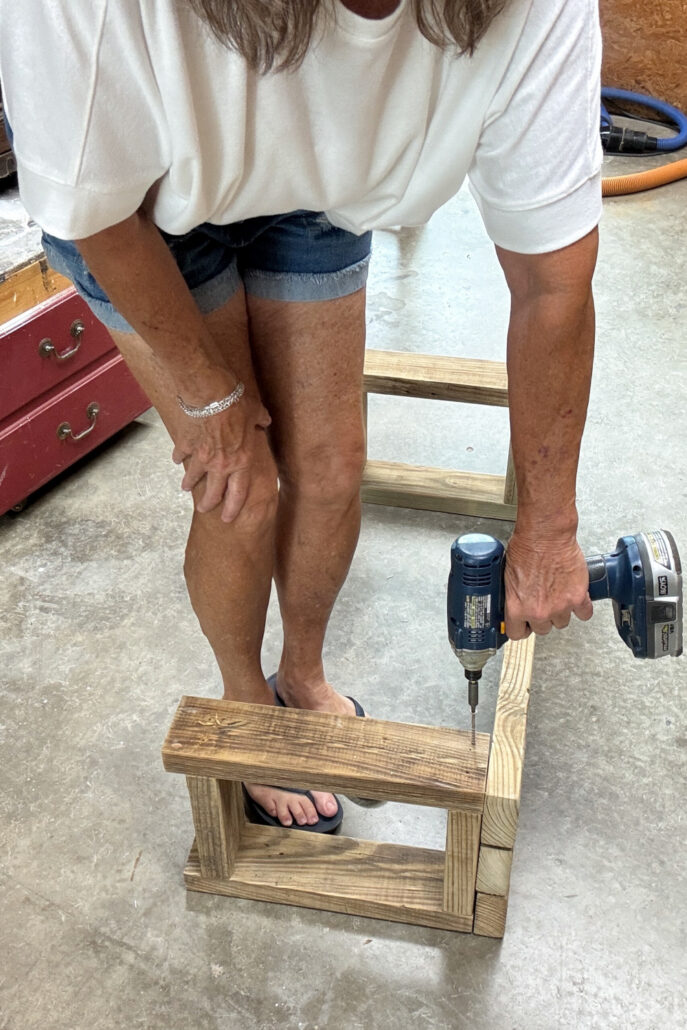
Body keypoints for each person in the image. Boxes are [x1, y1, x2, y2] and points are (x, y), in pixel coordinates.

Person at [0, 0, 600, 833]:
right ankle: (246, 699)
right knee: (244, 488)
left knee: (327, 466)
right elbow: (96, 213)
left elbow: (554, 286)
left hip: (313, 183)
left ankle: (303, 675)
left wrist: (548, 527)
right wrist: (214, 407)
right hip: (138, 202)